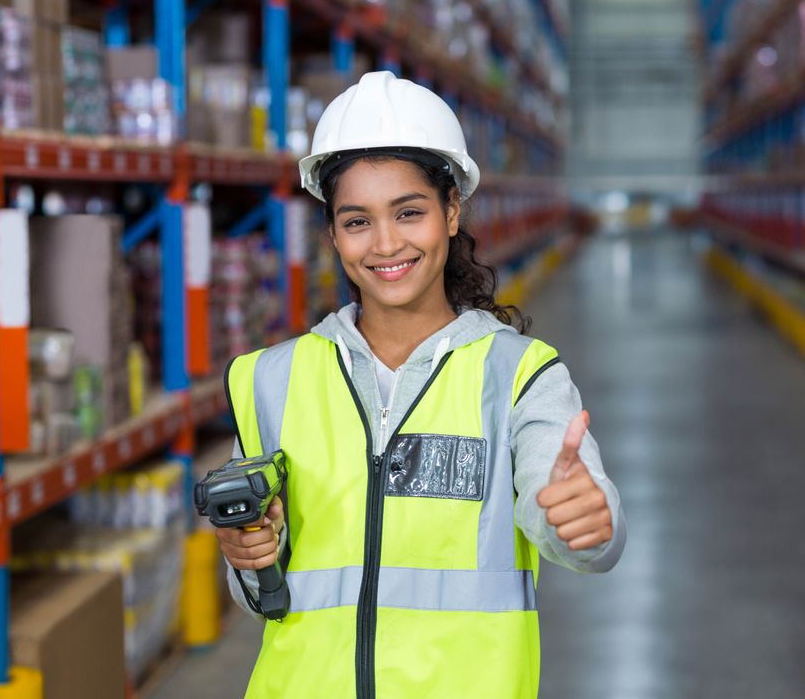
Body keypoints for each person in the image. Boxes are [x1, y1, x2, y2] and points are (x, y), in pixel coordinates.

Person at [216, 70, 626, 698]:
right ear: (332, 233)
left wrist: (585, 522)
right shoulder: (270, 379)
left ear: (451, 212)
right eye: (357, 221)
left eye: (409, 213)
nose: (386, 244)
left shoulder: (518, 376)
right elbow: (261, 594)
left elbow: (573, 523)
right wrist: (249, 558)